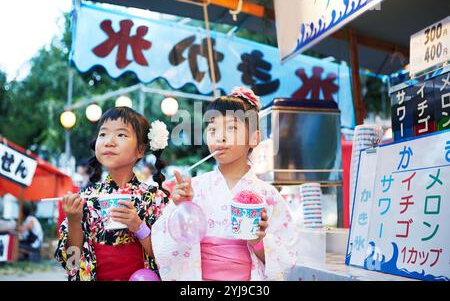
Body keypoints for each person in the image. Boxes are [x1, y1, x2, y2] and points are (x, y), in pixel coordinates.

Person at [152, 87, 298, 281]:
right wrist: (181, 209)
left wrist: (258, 242)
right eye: (212, 129)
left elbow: (288, 258)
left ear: (254, 138)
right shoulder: (194, 188)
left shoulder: (268, 195)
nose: (220, 137)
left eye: (231, 128)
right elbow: (164, 245)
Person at [54, 107, 169, 281]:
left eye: (121, 135)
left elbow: (168, 257)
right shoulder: (86, 198)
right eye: (103, 134)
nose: (109, 141)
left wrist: (139, 227)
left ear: (140, 150)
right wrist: (73, 220)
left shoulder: (156, 198)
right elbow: (72, 262)